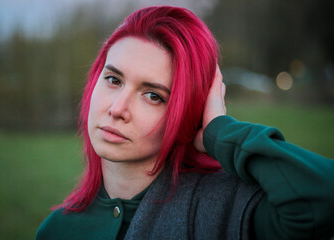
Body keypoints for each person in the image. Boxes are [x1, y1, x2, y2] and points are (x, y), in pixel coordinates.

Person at [36, 6, 334, 240]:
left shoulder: (227, 210)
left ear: (185, 111)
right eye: (113, 79)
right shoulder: (56, 230)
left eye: (153, 95)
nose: (117, 109)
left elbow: (324, 196)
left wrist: (219, 131)